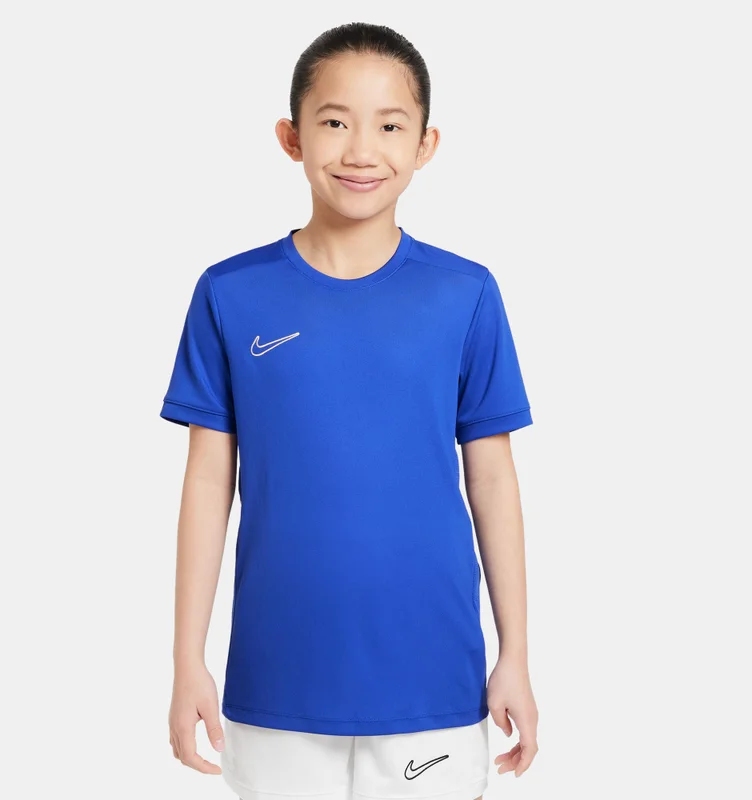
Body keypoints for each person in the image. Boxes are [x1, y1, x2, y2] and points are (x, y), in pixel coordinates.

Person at [160, 21, 539, 800]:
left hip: (435, 682)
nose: (362, 150)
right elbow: (206, 482)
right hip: (277, 684)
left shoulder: (465, 294)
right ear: (291, 137)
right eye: (335, 122)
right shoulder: (230, 293)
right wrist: (186, 659)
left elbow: (493, 480)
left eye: (390, 126)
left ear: (426, 145)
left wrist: (516, 654)